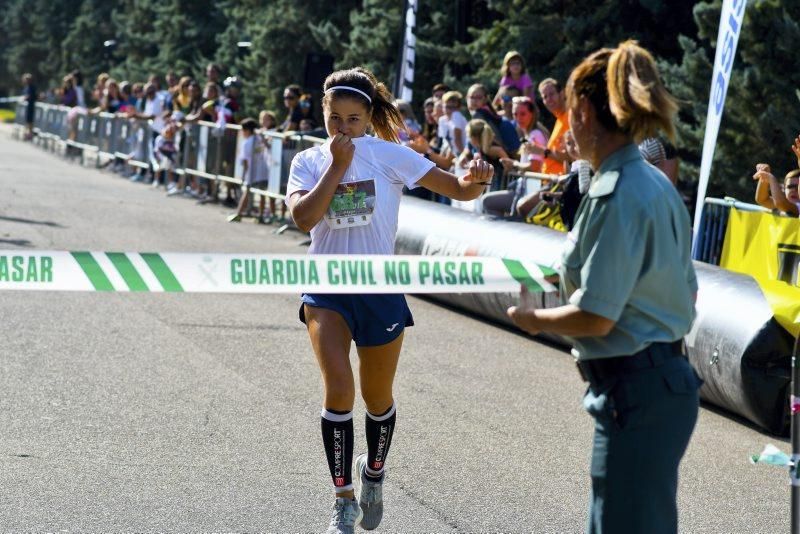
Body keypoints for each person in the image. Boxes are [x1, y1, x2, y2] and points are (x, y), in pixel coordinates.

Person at [286, 66, 493, 534]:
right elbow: (303, 217)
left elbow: (457, 189)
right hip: (327, 291)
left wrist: (477, 178)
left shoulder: (390, 156)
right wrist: (337, 166)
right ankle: (342, 498)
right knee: (339, 388)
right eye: (335, 118)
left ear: (369, 117)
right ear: (323, 113)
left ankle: (373, 473)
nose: (343, 128)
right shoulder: (309, 161)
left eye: (353, 120)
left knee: (377, 398)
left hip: (379, 291)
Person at [507, 41, 701, 534]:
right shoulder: (653, 183)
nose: (567, 128)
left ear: (587, 112)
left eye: (570, 113)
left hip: (636, 395)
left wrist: (532, 321)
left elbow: (596, 315)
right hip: (651, 389)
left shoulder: (619, 192)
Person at [227, 118, 270, 223]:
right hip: (263, 170)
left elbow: (245, 160)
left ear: (247, 130)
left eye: (243, 130)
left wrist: (244, 173)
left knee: (246, 192)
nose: (242, 133)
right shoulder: (260, 138)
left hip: (252, 172)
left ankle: (239, 213)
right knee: (262, 193)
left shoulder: (247, 142)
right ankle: (260, 215)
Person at [536, 78, 571, 175]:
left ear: (562, 93)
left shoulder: (570, 117)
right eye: (545, 97)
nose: (548, 99)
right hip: (551, 182)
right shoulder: (559, 119)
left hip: (561, 183)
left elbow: (571, 157)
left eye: (551, 94)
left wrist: (543, 151)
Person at [21, 73, 37, 141]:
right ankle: (27, 133)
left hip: (31, 106)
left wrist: (25, 98)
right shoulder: (27, 87)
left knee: (30, 121)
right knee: (28, 121)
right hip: (28, 106)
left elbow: (31, 96)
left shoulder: (32, 87)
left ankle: (30, 134)